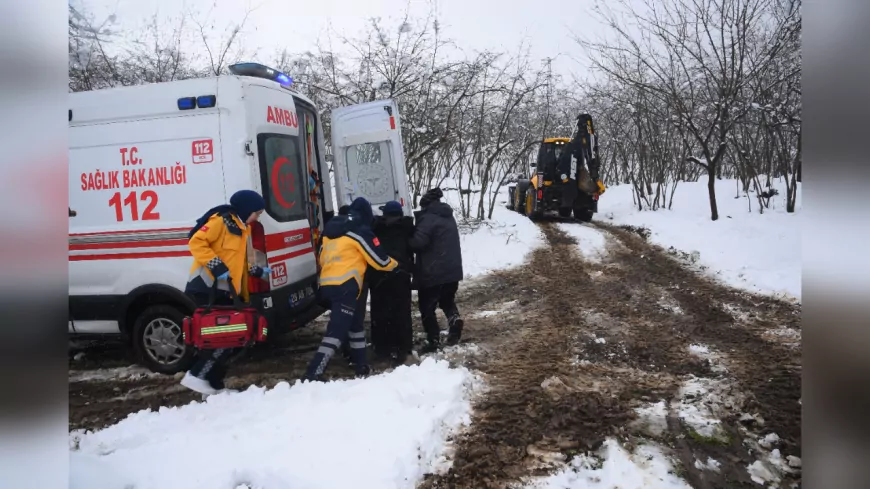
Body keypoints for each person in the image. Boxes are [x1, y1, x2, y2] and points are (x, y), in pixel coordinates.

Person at [180, 190, 271, 395]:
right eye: (257, 213)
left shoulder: (241, 227)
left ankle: (213, 386)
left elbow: (236, 261)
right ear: (247, 209)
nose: (257, 217)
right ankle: (197, 376)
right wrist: (216, 266)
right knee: (222, 338)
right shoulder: (221, 221)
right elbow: (196, 241)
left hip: (225, 291)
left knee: (228, 337)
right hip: (206, 289)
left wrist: (255, 271)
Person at [304, 197, 398, 381]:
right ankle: (313, 373)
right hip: (345, 286)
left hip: (327, 284)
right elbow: (379, 261)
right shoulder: (359, 231)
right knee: (337, 331)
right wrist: (396, 265)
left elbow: (321, 257)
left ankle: (361, 365)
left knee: (355, 324)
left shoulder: (331, 231)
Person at [409, 188, 464, 352]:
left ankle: (433, 339)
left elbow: (417, 243)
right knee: (447, 299)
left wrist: (405, 235)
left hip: (433, 272)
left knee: (426, 306)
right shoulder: (447, 216)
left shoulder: (428, 219)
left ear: (425, 205)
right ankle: (454, 319)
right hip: (452, 270)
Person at [369, 200, 415, 365]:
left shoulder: (376, 229)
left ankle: (382, 349)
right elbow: (413, 248)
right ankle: (403, 347)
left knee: (380, 314)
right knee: (402, 313)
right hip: (401, 275)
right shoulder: (407, 229)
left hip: (379, 277)